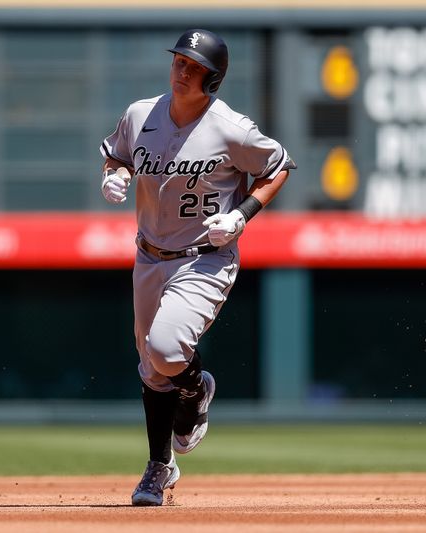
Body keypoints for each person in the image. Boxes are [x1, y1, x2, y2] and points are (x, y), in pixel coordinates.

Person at [99, 28, 296, 506]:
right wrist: (116, 176)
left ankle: (195, 387)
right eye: (178, 62)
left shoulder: (230, 127)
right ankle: (159, 467)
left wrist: (241, 214)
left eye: (194, 66)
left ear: (213, 78)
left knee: (166, 350)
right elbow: (117, 156)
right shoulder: (139, 114)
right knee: (151, 367)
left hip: (204, 258)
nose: (182, 71)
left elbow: (280, 165)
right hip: (149, 254)